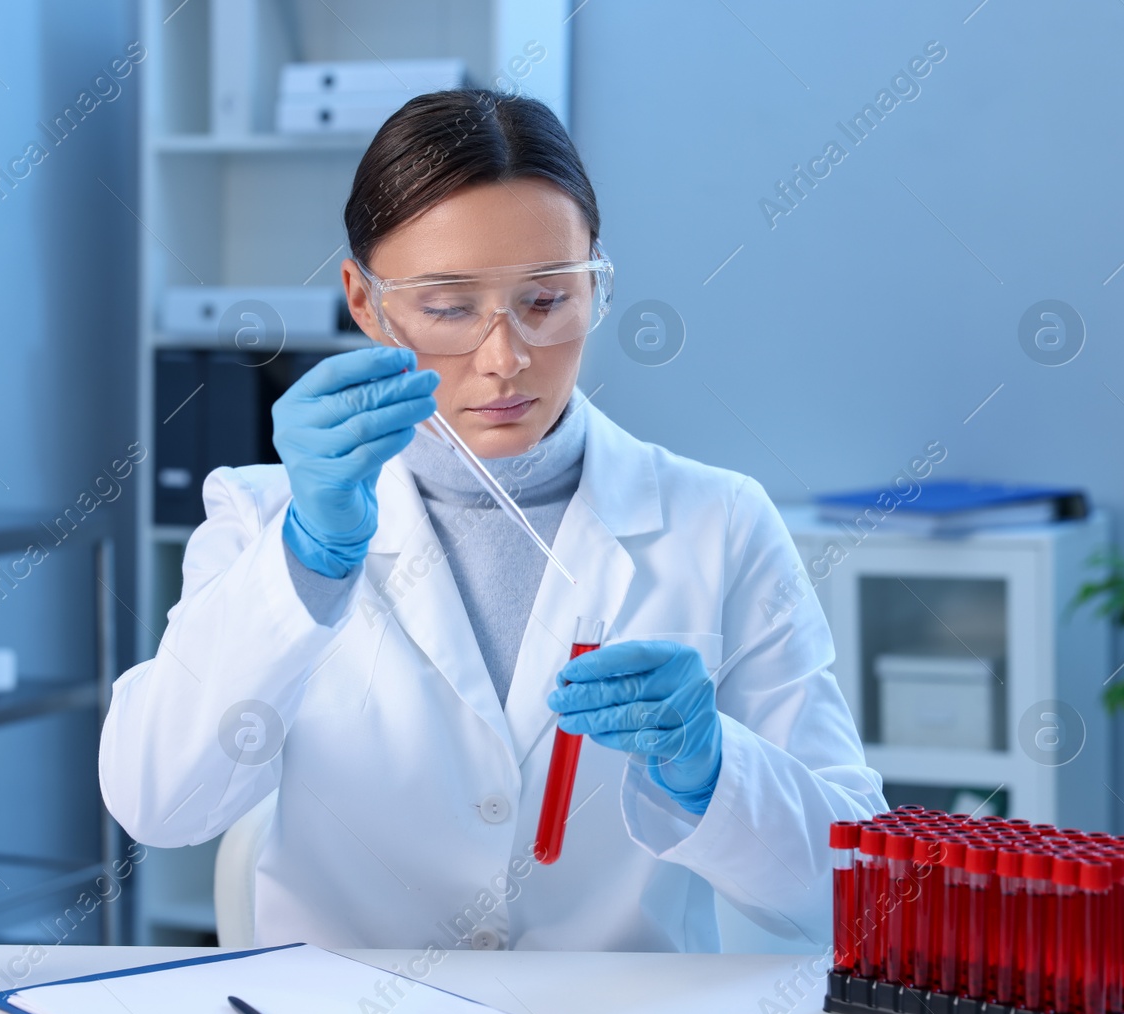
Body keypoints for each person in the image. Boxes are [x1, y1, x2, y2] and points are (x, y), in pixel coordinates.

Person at [100, 89, 883, 952]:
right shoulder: (262, 520)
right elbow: (157, 805)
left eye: (546, 300)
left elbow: (852, 894)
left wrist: (714, 769)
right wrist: (306, 563)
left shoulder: (719, 522)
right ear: (364, 301)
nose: (505, 357)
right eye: (447, 308)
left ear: (600, 285)